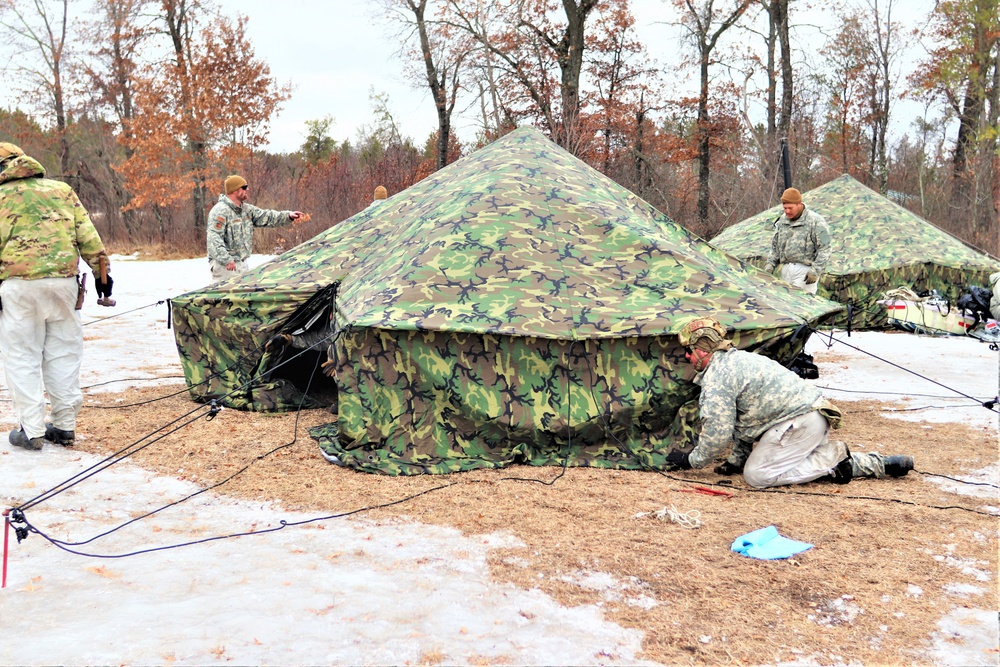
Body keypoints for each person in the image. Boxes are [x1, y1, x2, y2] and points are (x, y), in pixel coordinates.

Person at [665, 317, 914, 488]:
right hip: (807, 419)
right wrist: (735, 460)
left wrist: (692, 461)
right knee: (777, 462)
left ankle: (836, 462)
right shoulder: (737, 360)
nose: (687, 357)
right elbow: (744, 417)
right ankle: (880, 463)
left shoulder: (718, 376)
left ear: (703, 348)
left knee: (758, 475)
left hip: (799, 423)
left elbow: (718, 430)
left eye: (689, 350)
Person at [0, 142, 110, 451]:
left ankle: (32, 430)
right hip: (64, 284)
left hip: (18, 286)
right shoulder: (62, 191)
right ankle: (64, 426)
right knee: (63, 354)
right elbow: (88, 237)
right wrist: (103, 278)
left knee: (22, 356)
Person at [206, 175, 303, 281]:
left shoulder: (247, 210)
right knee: (225, 297)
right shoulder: (220, 211)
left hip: (242, 265)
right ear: (234, 190)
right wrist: (226, 259)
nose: (247, 189)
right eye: (244, 187)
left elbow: (267, 216)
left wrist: (288, 216)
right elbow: (213, 238)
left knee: (242, 297)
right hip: (226, 267)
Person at [762, 188, 832, 294]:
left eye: (790, 208)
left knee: (802, 303)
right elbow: (775, 247)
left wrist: (816, 270)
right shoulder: (782, 221)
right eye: (785, 208)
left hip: (805, 271)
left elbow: (825, 248)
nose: (787, 211)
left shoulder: (815, 221)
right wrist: (770, 265)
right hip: (786, 269)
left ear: (799, 204)